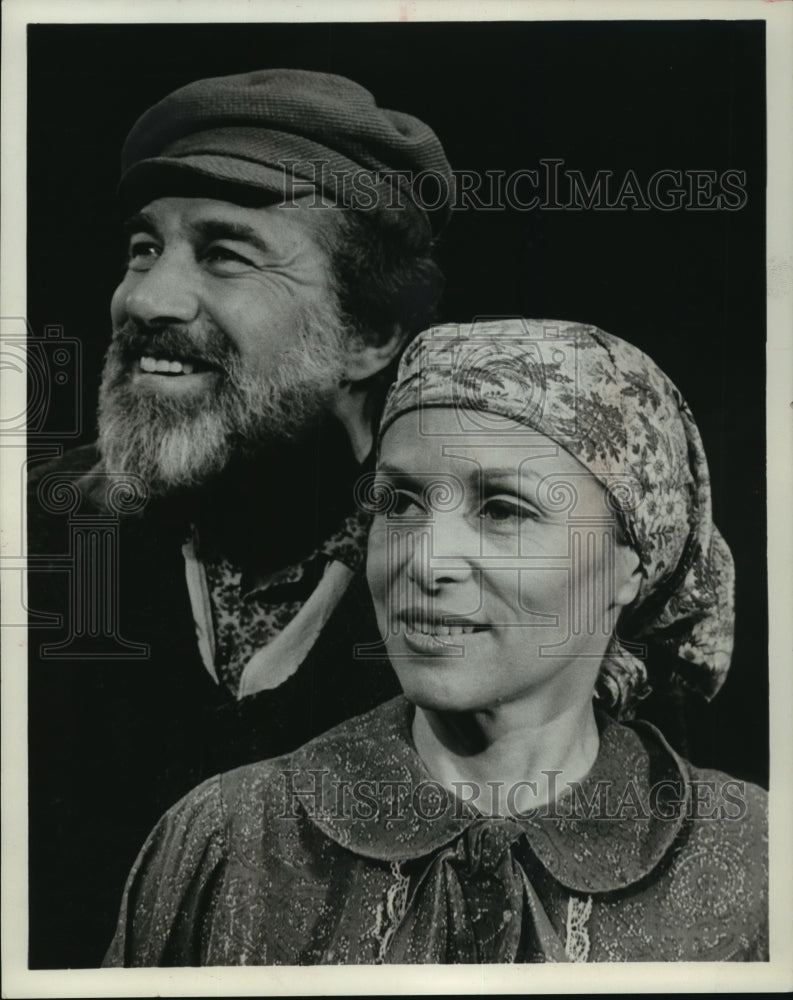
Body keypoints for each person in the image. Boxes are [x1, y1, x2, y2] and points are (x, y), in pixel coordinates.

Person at [104, 319, 767, 965]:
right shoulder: (229, 839)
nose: (425, 560)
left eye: (503, 509)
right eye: (399, 504)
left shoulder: (754, 859)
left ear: (631, 561)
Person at [27, 69, 452, 967]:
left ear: (367, 333)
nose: (144, 300)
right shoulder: (39, 549)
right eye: (144, 248)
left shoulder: (473, 592)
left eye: (224, 254)